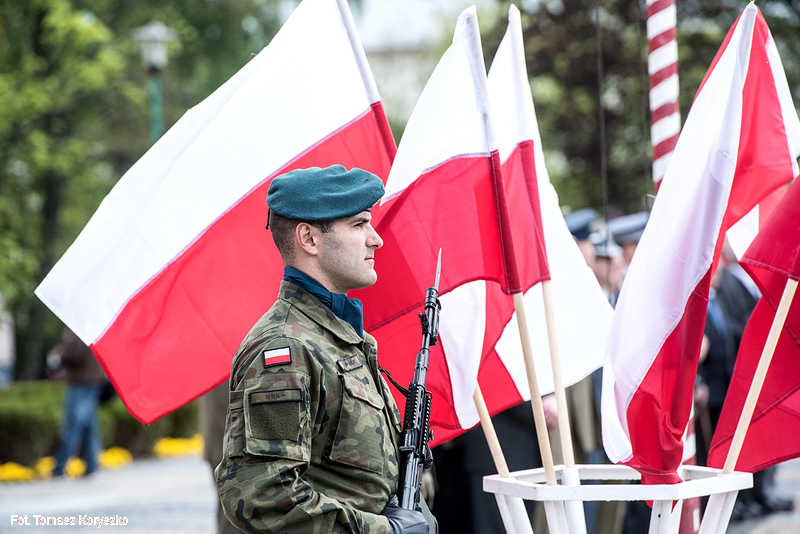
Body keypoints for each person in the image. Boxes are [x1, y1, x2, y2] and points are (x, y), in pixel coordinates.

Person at [215, 165, 429, 534]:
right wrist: (384, 531)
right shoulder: (286, 349)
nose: (376, 239)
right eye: (359, 225)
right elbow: (263, 495)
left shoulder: (339, 336)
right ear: (309, 239)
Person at [52, 327, 107, 477]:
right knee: (89, 424)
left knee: (72, 424)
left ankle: (60, 466)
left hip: (82, 380)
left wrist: (59, 354)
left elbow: (74, 354)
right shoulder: (91, 322)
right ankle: (92, 464)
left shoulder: (78, 324)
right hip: (93, 378)